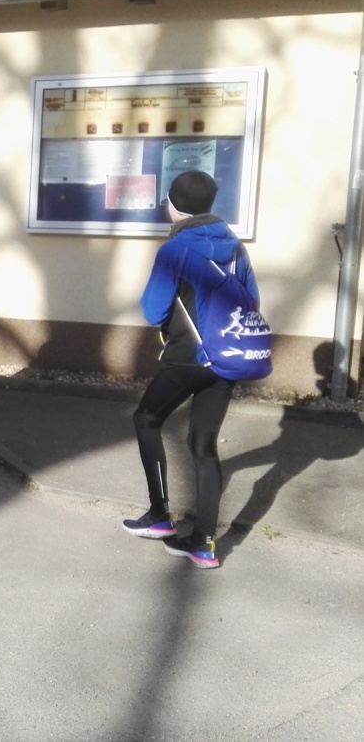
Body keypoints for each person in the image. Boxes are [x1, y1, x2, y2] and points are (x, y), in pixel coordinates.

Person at [122, 170, 257, 569]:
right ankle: (203, 545)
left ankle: (159, 516)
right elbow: (252, 303)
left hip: (187, 357)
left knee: (146, 419)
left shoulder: (175, 249)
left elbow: (153, 310)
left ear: (173, 205)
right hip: (227, 358)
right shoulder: (236, 248)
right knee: (203, 447)